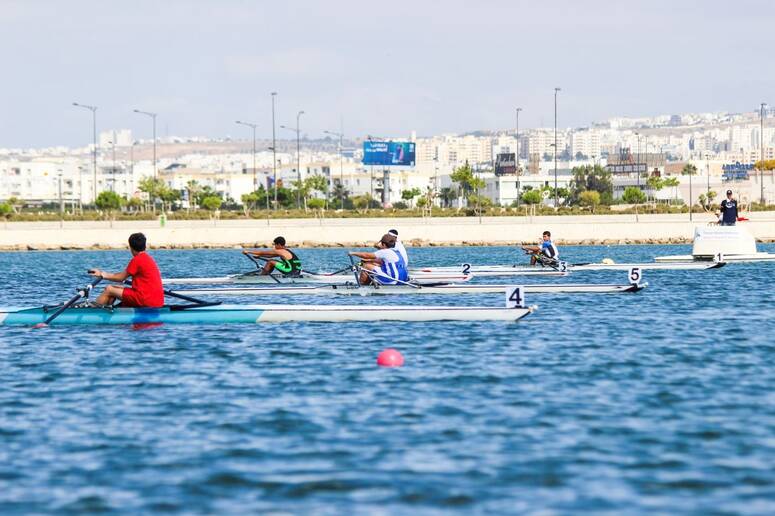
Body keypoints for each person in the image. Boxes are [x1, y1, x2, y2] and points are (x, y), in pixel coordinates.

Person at [88, 232, 164, 308]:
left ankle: (93, 311)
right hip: (157, 301)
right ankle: (109, 311)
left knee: (109, 289)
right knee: (114, 291)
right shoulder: (149, 258)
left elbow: (120, 278)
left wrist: (102, 274)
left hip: (145, 299)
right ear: (144, 246)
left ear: (131, 248)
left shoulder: (137, 259)